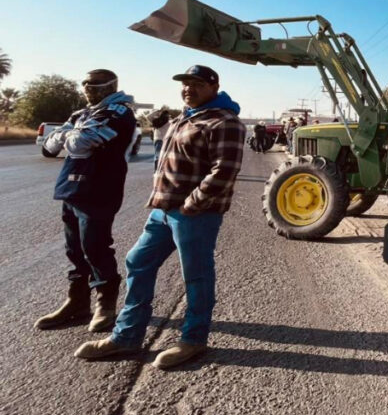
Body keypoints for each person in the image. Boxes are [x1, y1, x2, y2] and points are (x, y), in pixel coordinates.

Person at [75, 65, 245, 369]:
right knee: (137, 261)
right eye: (185, 84)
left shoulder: (224, 121)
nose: (188, 89)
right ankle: (126, 336)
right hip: (163, 211)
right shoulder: (187, 116)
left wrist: (193, 203)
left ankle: (193, 339)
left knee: (196, 276)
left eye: (196, 84)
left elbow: (225, 170)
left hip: (194, 215)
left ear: (213, 86)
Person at [35, 69, 136, 332]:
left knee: (95, 245)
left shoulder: (119, 112)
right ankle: (77, 301)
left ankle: (106, 304)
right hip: (71, 187)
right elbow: (49, 147)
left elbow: (81, 142)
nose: (87, 89)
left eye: (94, 85)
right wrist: (71, 135)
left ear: (110, 86)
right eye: (85, 85)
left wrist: (68, 134)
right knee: (74, 248)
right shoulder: (83, 114)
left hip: (100, 187)